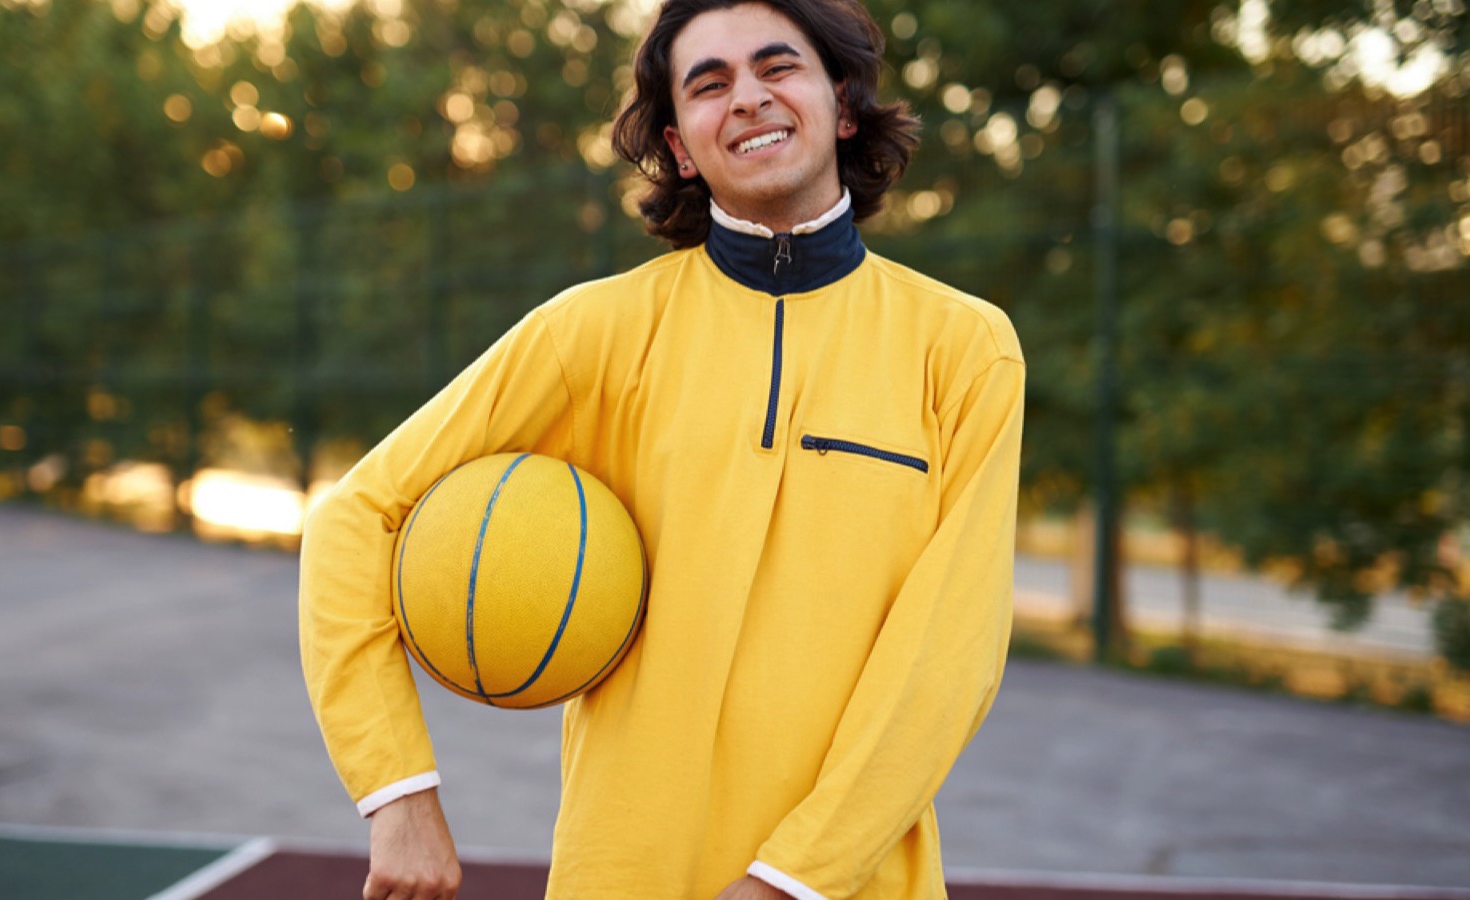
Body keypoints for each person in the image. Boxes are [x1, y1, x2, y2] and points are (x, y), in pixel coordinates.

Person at [298, 0, 1026, 896]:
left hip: (850, 884)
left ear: (842, 106)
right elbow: (356, 517)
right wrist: (399, 795)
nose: (748, 98)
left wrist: (791, 880)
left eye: (777, 67)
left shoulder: (963, 348)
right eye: (709, 85)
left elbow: (947, 658)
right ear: (682, 146)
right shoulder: (593, 334)